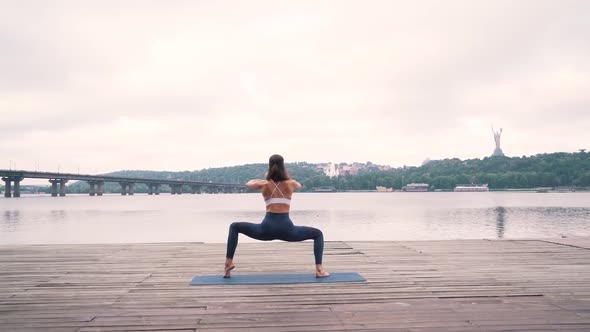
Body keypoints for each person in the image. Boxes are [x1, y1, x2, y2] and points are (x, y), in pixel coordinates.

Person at [224, 154, 330, 278]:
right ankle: (319, 270)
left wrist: (263, 179)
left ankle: (228, 262)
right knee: (318, 234)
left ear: (269, 167)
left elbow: (249, 183)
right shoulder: (291, 184)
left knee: (234, 227)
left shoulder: (263, 184)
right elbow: (299, 185)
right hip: (287, 229)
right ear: (283, 167)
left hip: (266, 229)